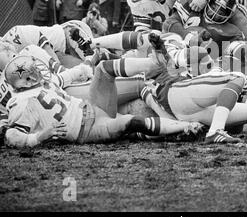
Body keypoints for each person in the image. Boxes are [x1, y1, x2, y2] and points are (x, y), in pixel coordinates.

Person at [0, 53, 203, 148]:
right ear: (24, 82)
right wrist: (38, 137)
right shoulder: (21, 103)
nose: (39, 72)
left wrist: (87, 64)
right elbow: (12, 135)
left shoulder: (43, 84)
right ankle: (184, 127)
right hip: (89, 130)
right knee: (130, 121)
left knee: (103, 68)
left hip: (93, 106)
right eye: (34, 72)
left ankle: (157, 64)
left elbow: (68, 76)